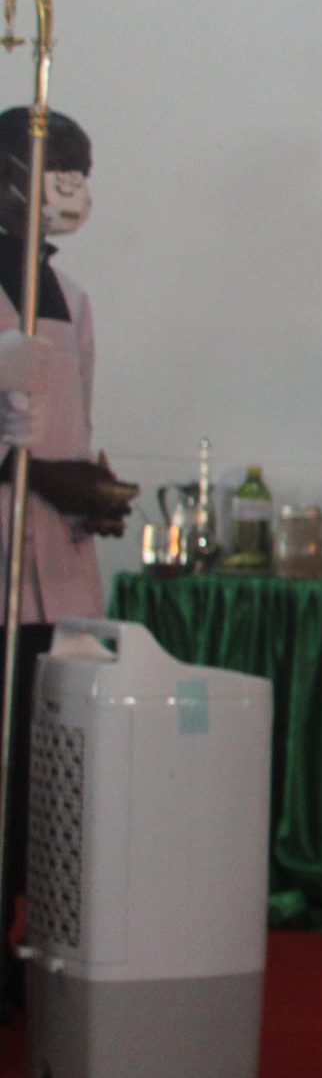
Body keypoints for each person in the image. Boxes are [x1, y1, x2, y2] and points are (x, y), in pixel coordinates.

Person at [0, 106, 129, 1026]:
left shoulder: (73, 296)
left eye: (86, 173)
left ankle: (28, 941)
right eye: (61, 171)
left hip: (61, 573)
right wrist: (31, 471)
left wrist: (91, 487)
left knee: (42, 773)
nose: (76, 191)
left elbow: (74, 422)